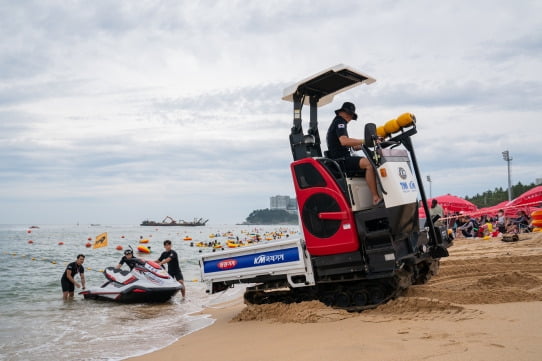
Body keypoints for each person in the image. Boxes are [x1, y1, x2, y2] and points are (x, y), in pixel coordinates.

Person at [326, 101, 382, 205]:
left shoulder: (338, 123)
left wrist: (369, 142)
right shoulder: (340, 122)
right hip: (341, 160)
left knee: (371, 161)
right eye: (349, 114)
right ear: (342, 112)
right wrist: (365, 140)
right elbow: (344, 141)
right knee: (369, 164)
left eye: (351, 115)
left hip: (342, 158)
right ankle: (375, 198)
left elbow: (353, 146)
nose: (350, 117)